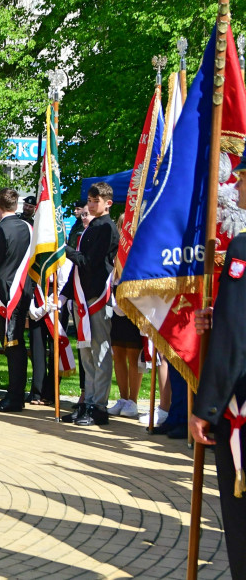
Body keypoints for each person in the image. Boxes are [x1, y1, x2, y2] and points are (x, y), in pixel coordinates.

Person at [192, 158, 246, 579]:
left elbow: (234, 337)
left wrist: (206, 406)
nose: (237, 184)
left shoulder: (243, 248)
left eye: (242, 177)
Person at [63, 182, 119, 426]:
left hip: (96, 296)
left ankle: (99, 407)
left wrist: (64, 250)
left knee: (100, 353)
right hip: (83, 296)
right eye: (90, 200)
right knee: (86, 352)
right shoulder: (91, 226)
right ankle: (87, 401)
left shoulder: (106, 228)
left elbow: (91, 262)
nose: (92, 204)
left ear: (108, 203)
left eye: (97, 200)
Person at [0, 188, 33, 412]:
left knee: (12, 345)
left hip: (4, 294)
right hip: (23, 290)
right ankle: (16, 394)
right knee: (17, 345)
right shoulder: (28, 228)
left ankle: (14, 397)